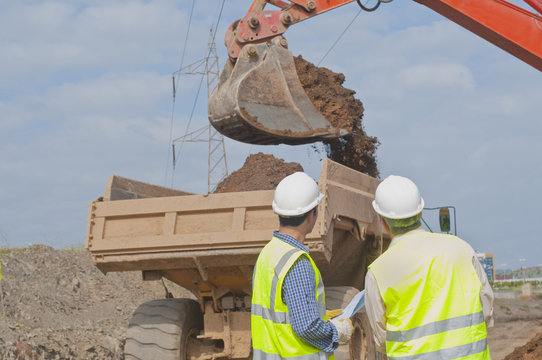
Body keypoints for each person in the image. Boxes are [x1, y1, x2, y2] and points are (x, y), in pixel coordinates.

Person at [365, 175, 494, 359]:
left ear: (383, 221)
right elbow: (487, 311)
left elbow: (381, 340)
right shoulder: (461, 249)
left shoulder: (378, 272)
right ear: (420, 213)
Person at [251, 172, 353, 360]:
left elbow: (279, 314)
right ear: (311, 215)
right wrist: (336, 331)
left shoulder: (268, 252)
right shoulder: (297, 262)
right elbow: (306, 326)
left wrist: (318, 314)